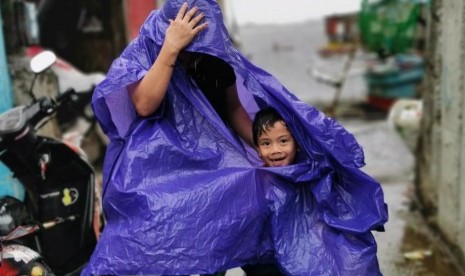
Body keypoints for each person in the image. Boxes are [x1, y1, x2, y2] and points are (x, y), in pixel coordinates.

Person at [84, 0, 388, 275]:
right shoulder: (151, 48)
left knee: (267, 203)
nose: (196, 55)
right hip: (160, 168)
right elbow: (144, 104)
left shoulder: (215, 58)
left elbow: (234, 110)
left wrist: (263, 148)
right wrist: (172, 48)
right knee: (171, 237)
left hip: (216, 160)